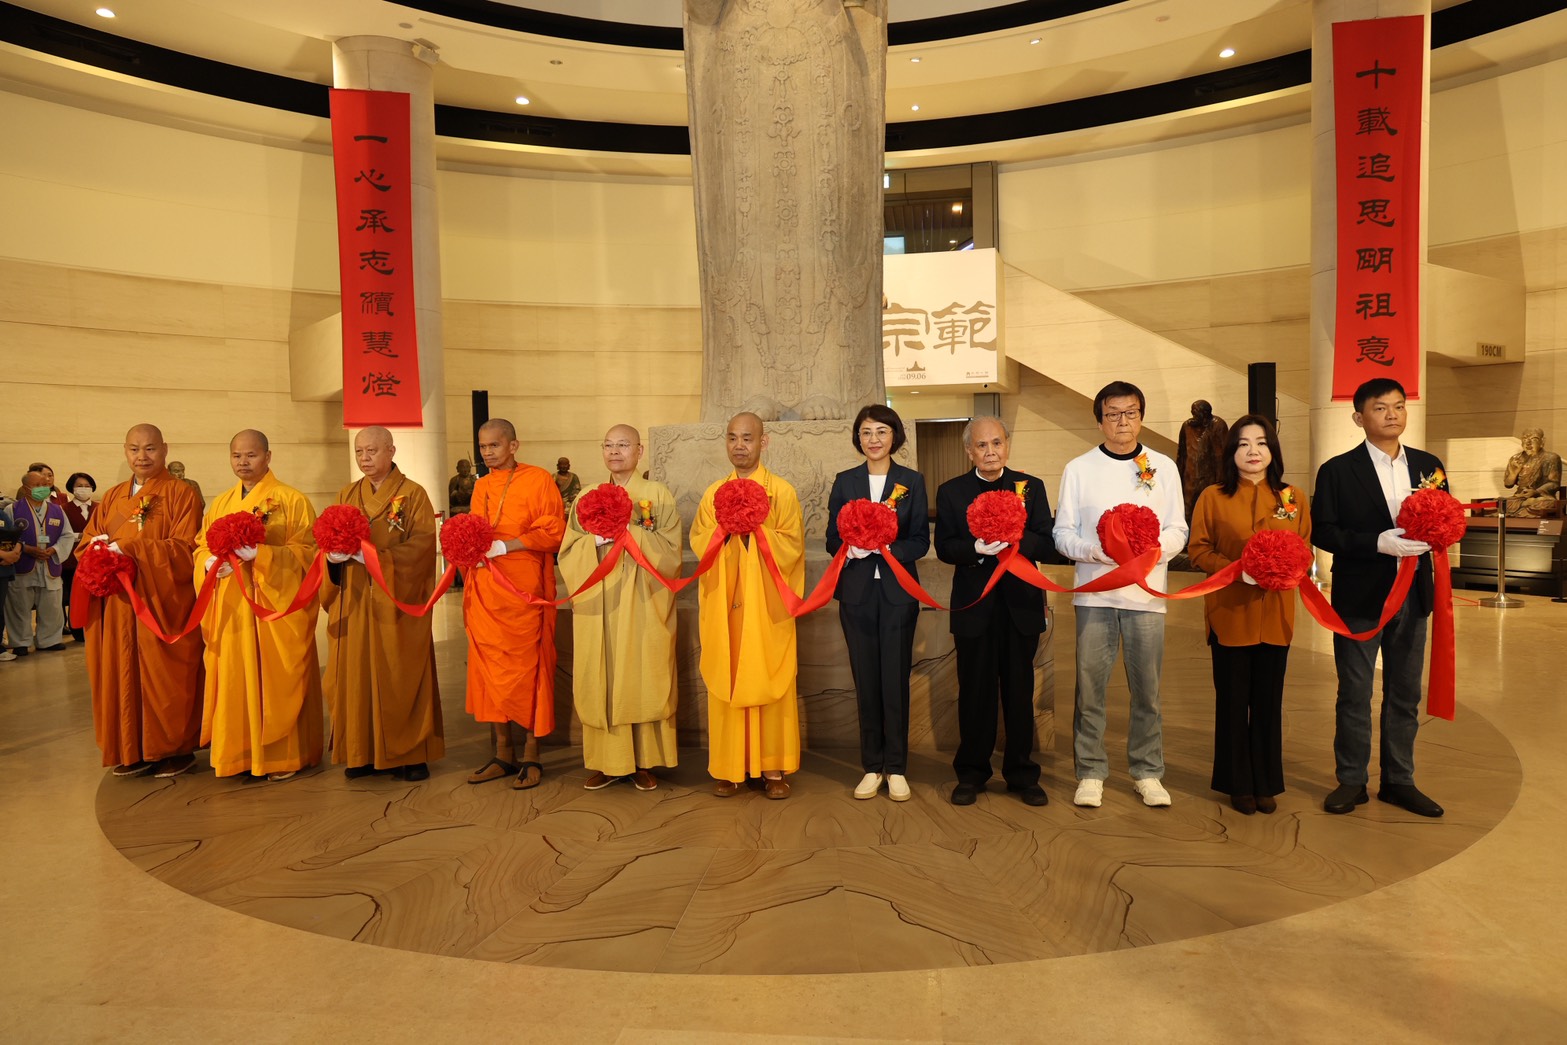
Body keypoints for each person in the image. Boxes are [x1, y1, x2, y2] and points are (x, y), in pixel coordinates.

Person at [1313, 378, 1448, 818]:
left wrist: (1436, 537)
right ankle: (1351, 780)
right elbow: (1324, 531)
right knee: (1354, 691)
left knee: (1405, 691)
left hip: (1413, 594)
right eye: (1380, 408)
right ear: (1359, 417)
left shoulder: (1430, 466)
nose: (1392, 414)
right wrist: (1376, 542)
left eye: (1398, 406)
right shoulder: (1337, 470)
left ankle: (1399, 780)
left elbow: (1445, 518)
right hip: (1360, 596)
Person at [1054, 381, 1186, 809]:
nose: (1122, 421)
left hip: (1146, 595)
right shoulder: (1079, 468)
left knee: (1147, 688)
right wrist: (1094, 550)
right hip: (1094, 593)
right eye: (1113, 413)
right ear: (1100, 420)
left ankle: (1147, 771)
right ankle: (1090, 771)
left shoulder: (1162, 466)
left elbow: (1178, 530)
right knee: (1089, 687)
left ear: (1141, 417)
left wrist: (1148, 553)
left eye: (1130, 412)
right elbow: (1062, 534)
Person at [1187, 415, 1312, 814]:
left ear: (1273, 449)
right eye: (1243, 444)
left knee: (1268, 702)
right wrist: (1235, 569)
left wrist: (1287, 567)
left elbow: (1304, 549)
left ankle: (1266, 782)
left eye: (1261, 443)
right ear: (1231, 452)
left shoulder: (1293, 498)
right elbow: (1198, 550)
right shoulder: (1213, 496)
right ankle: (1236, 782)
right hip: (1229, 612)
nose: (1253, 451)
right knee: (1232, 700)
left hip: (1276, 614)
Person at [934, 416, 1055, 807]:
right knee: (975, 694)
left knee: (1020, 694)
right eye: (981, 445)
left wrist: (1017, 537)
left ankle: (1021, 774)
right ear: (969, 451)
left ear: (1007, 445)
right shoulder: (952, 492)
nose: (990, 451)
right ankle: (972, 773)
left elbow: (1048, 542)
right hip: (975, 608)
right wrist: (976, 549)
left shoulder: (1030, 487)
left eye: (997, 443)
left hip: (1020, 607)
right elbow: (945, 547)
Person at [193, 430, 323, 781]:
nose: (243, 462)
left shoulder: (291, 500)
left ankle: (282, 756)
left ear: (268, 456)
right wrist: (208, 563)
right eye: (236, 455)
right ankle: (238, 754)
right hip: (233, 609)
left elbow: (308, 554)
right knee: (235, 679)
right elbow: (201, 545)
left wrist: (262, 556)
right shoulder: (220, 503)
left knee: (274, 678)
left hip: (272, 611)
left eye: (251, 455)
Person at [77, 425, 205, 777]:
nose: (142, 456)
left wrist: (133, 549)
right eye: (134, 449)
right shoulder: (113, 496)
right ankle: (129, 748)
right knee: (118, 674)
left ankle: (173, 749)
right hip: (117, 606)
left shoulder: (181, 493)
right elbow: (86, 543)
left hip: (159, 602)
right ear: (125, 452)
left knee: (163, 676)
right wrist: (98, 549)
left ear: (164, 449)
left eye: (150, 449)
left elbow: (186, 549)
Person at [558, 425, 680, 791]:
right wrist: (596, 538)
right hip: (599, 600)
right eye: (609, 445)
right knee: (601, 676)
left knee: (640, 673)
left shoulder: (656, 494)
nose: (615, 452)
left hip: (641, 599)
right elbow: (568, 550)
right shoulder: (588, 497)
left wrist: (629, 533)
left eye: (623, 445)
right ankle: (607, 762)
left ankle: (644, 761)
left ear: (639, 451)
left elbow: (672, 551)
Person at [690, 412, 804, 799]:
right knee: (730, 674)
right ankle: (730, 766)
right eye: (732, 438)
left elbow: (792, 547)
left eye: (747, 439)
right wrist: (727, 528)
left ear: (763, 442)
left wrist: (757, 527)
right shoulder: (713, 494)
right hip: (726, 602)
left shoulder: (781, 492)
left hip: (766, 605)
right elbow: (699, 542)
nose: (740, 446)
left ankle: (773, 768)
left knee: (767, 674)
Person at [321, 427, 444, 782]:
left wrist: (372, 556)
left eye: (372, 451)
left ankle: (411, 753)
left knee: (400, 673)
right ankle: (361, 752)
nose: (365, 458)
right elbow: (327, 542)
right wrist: (332, 557)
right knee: (354, 673)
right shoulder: (347, 493)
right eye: (360, 451)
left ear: (391, 450)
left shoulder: (413, 494)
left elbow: (422, 548)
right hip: (356, 601)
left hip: (395, 602)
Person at [826, 405, 929, 802]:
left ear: (895, 437)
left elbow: (920, 539)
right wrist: (853, 550)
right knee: (865, 679)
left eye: (881, 432)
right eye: (866, 432)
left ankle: (897, 767)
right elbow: (832, 537)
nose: (874, 439)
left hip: (898, 593)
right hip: (856, 593)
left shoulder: (911, 481)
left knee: (895, 679)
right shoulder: (845, 481)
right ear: (858, 438)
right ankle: (872, 766)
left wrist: (885, 549)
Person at [463, 419, 565, 790]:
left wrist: (510, 545)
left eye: (494, 446)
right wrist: (470, 551)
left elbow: (554, 528)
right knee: (491, 668)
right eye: (483, 447)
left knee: (529, 669)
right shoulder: (480, 486)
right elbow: (475, 527)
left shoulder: (538, 479)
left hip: (524, 589)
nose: (487, 453)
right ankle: (502, 752)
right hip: (488, 588)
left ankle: (532, 754)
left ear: (513, 445)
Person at [5, 468, 78, 655]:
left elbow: (67, 536)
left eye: (45, 485)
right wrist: (26, 548)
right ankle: (20, 642)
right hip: (23, 564)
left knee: (52, 604)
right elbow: (7, 538)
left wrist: (54, 550)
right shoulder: (12, 509)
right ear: (26, 488)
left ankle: (49, 640)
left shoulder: (57, 510)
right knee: (19, 605)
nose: (42, 488)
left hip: (49, 563)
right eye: (37, 485)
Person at [1176, 400, 1229, 523]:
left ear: (1205, 413)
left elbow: (1221, 456)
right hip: (1190, 476)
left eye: (1196, 412)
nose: (1193, 415)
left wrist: (1222, 481)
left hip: (1210, 477)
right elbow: (1181, 453)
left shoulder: (1217, 425)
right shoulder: (1187, 426)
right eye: (1192, 412)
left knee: (1208, 509)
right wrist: (1178, 475)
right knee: (1188, 507)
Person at [62, 472, 97, 641]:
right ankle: (77, 629)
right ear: (72, 488)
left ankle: (95, 627)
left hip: (96, 558)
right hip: (72, 559)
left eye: (87, 486)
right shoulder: (63, 509)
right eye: (79, 486)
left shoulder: (99, 507)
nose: (83, 489)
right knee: (74, 596)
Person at [1502, 427, 1561, 517]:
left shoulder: (1551, 458)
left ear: (1542, 441)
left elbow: (1554, 483)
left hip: (1541, 497)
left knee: (1545, 504)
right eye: (1525, 439)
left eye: (1534, 439)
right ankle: (1523, 507)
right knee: (1494, 504)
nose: (1528, 443)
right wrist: (1513, 474)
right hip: (1519, 497)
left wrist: (1536, 492)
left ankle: (1520, 508)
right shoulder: (1516, 459)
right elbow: (1508, 484)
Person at [0, 501, 19, 662]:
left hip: (3, 570)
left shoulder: (2, 514)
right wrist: (3, 555)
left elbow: (16, 534)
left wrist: (15, 552)